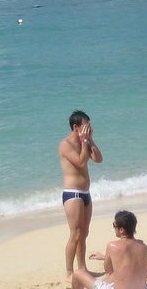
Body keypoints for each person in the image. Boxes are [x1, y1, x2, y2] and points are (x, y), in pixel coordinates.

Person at [59, 110, 104, 284]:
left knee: (84, 233)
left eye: (90, 125)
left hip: (86, 193)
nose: (89, 128)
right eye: (86, 125)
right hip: (73, 193)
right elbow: (80, 161)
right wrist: (85, 141)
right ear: (76, 127)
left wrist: (89, 140)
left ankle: (82, 268)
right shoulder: (65, 144)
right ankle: (69, 272)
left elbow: (98, 159)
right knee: (75, 234)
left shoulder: (85, 141)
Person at [71, 210, 147, 289]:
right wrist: (104, 257)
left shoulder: (112, 246)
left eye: (114, 225)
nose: (114, 228)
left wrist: (107, 257)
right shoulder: (143, 247)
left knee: (77, 273)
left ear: (121, 230)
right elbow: (128, 263)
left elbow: (108, 270)